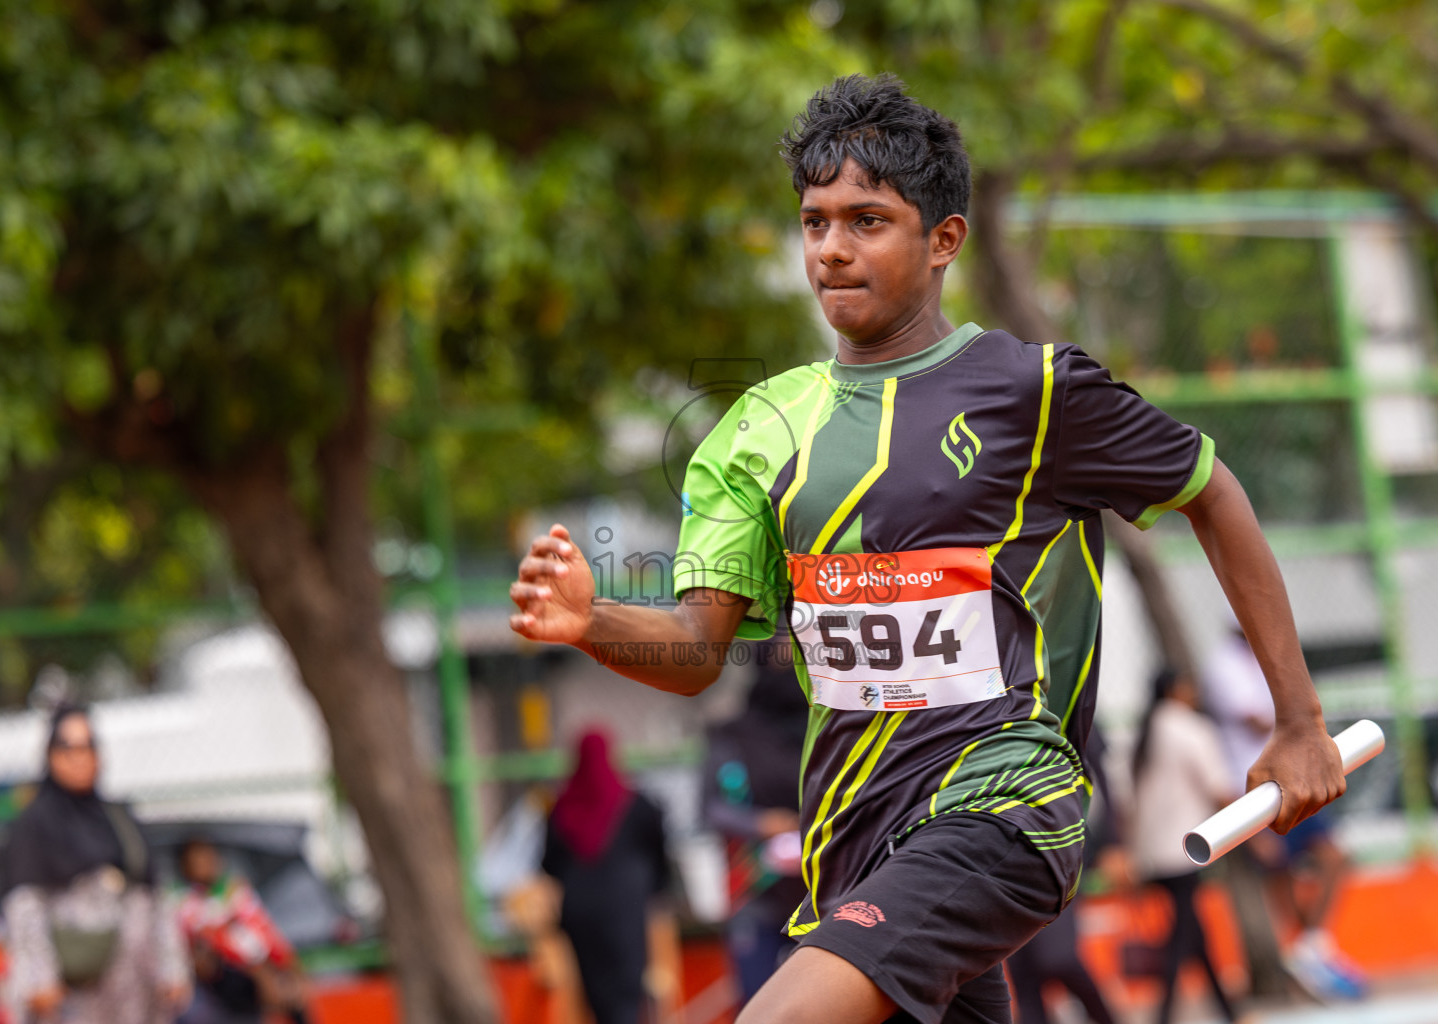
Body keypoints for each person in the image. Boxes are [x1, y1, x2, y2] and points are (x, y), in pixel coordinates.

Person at [510, 73, 1346, 1024]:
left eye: (867, 220)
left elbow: (1214, 494)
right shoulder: (762, 429)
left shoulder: (1032, 392)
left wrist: (1298, 721)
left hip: (1004, 807)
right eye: (814, 222)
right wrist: (588, 621)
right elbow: (699, 653)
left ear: (944, 238)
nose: (831, 249)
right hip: (856, 846)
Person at [1202, 621, 1365, 1003]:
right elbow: (1259, 719)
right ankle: (1304, 955)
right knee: (1281, 876)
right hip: (1262, 787)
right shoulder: (1225, 664)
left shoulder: (1265, 657)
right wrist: (1300, 720)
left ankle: (1311, 947)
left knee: (1333, 857)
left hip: (1293, 775)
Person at [1, 705, 189, 1024]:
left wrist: (172, 966)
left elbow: (153, 895)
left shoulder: (118, 818)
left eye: (88, 746)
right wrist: (39, 979)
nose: (80, 757)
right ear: (51, 755)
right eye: (69, 748)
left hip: (135, 986)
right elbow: (24, 907)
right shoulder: (36, 824)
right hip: (75, 992)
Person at [701, 639, 808, 1002]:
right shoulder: (733, 736)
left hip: (824, 892)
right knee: (760, 1001)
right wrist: (762, 824)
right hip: (756, 891)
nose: (788, 668)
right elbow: (711, 807)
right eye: (778, 657)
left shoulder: (830, 729)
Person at [1129, 668, 1238, 1024]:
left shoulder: (1145, 732)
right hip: (1186, 849)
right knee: (1183, 935)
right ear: (1178, 689)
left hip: (1152, 852)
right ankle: (1164, 1016)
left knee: (1193, 933)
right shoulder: (1190, 728)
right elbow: (1218, 787)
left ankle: (1228, 1011)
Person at [540, 730, 671, 1024]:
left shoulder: (562, 808)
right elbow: (659, 851)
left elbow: (548, 863)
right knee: (628, 991)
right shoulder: (636, 804)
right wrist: (656, 888)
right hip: (625, 908)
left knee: (597, 994)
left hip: (579, 912)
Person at [1005, 732, 1124, 1024]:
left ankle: (1105, 1017)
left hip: (1057, 846)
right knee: (1024, 973)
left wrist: (1113, 843)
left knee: (1057, 958)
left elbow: (1096, 770)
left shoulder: (1062, 691)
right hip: (1000, 850)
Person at [171, 838, 310, 1024]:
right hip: (223, 985)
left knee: (297, 1001)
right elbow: (214, 942)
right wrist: (261, 975)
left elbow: (266, 932)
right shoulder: (183, 904)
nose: (206, 864)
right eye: (197, 860)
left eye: (209, 857)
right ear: (185, 867)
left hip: (258, 975)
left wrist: (291, 969)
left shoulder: (237, 891)